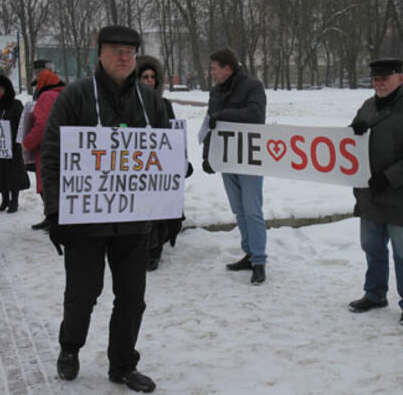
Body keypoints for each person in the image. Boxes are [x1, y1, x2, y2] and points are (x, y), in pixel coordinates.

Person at [41, 25, 169, 393]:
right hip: (86, 221)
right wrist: (55, 212)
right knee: (83, 293)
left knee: (132, 298)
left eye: (130, 51)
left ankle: (123, 363)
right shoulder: (75, 96)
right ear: (98, 53)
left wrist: (168, 203)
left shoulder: (150, 100)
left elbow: (163, 156)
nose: (124, 57)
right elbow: (51, 155)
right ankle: (70, 347)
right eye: (115, 50)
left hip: (134, 222)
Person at [348, 58, 403, 327]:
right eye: (375, 78)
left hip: (399, 196)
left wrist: (390, 177)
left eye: (385, 78)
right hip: (369, 193)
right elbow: (350, 145)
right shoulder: (367, 107)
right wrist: (354, 131)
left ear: (400, 79)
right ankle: (374, 293)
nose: (379, 83)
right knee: (371, 247)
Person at [202, 47, 267, 285]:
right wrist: (208, 155)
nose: (211, 73)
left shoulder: (253, 86)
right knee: (239, 210)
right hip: (227, 158)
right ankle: (249, 253)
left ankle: (260, 261)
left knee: (252, 210)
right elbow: (210, 123)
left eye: (214, 68)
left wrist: (224, 115)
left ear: (227, 69)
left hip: (250, 158)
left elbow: (255, 114)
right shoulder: (216, 91)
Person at [136, 55, 191, 271]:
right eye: (145, 77)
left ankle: (154, 249)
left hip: (160, 163)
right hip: (138, 163)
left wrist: (181, 160)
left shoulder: (164, 104)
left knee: (158, 208)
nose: (149, 80)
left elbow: (174, 135)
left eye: (153, 77)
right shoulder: (129, 103)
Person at [22, 70, 65, 230]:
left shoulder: (46, 97)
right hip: (65, 147)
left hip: (49, 148)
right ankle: (53, 217)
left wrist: (27, 142)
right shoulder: (65, 94)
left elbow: (42, 126)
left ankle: (53, 218)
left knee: (47, 184)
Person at [0, 74, 30, 213]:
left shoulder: (15, 104)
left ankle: (14, 201)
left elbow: (22, 124)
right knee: (0, 173)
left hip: (13, 145)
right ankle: (4, 200)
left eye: (1, 89)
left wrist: (17, 137)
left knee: (13, 173)